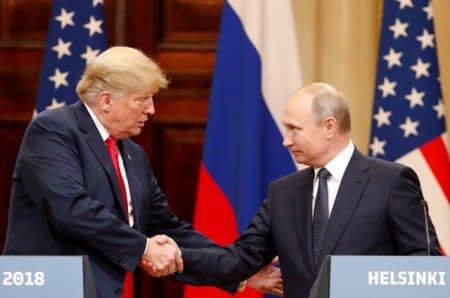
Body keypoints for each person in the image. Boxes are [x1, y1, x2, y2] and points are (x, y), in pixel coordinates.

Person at [2, 46, 282, 298]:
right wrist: (145, 248)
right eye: (141, 100)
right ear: (106, 100)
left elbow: (165, 228)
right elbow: (72, 210)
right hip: (49, 288)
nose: (151, 109)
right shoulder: (54, 129)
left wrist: (238, 270)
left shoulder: (133, 154)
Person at [174, 82, 441, 298]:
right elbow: (241, 258)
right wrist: (172, 257)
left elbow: (425, 269)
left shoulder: (391, 181)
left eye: (294, 129)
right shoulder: (284, 193)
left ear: (329, 126)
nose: (285, 140)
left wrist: (359, 282)